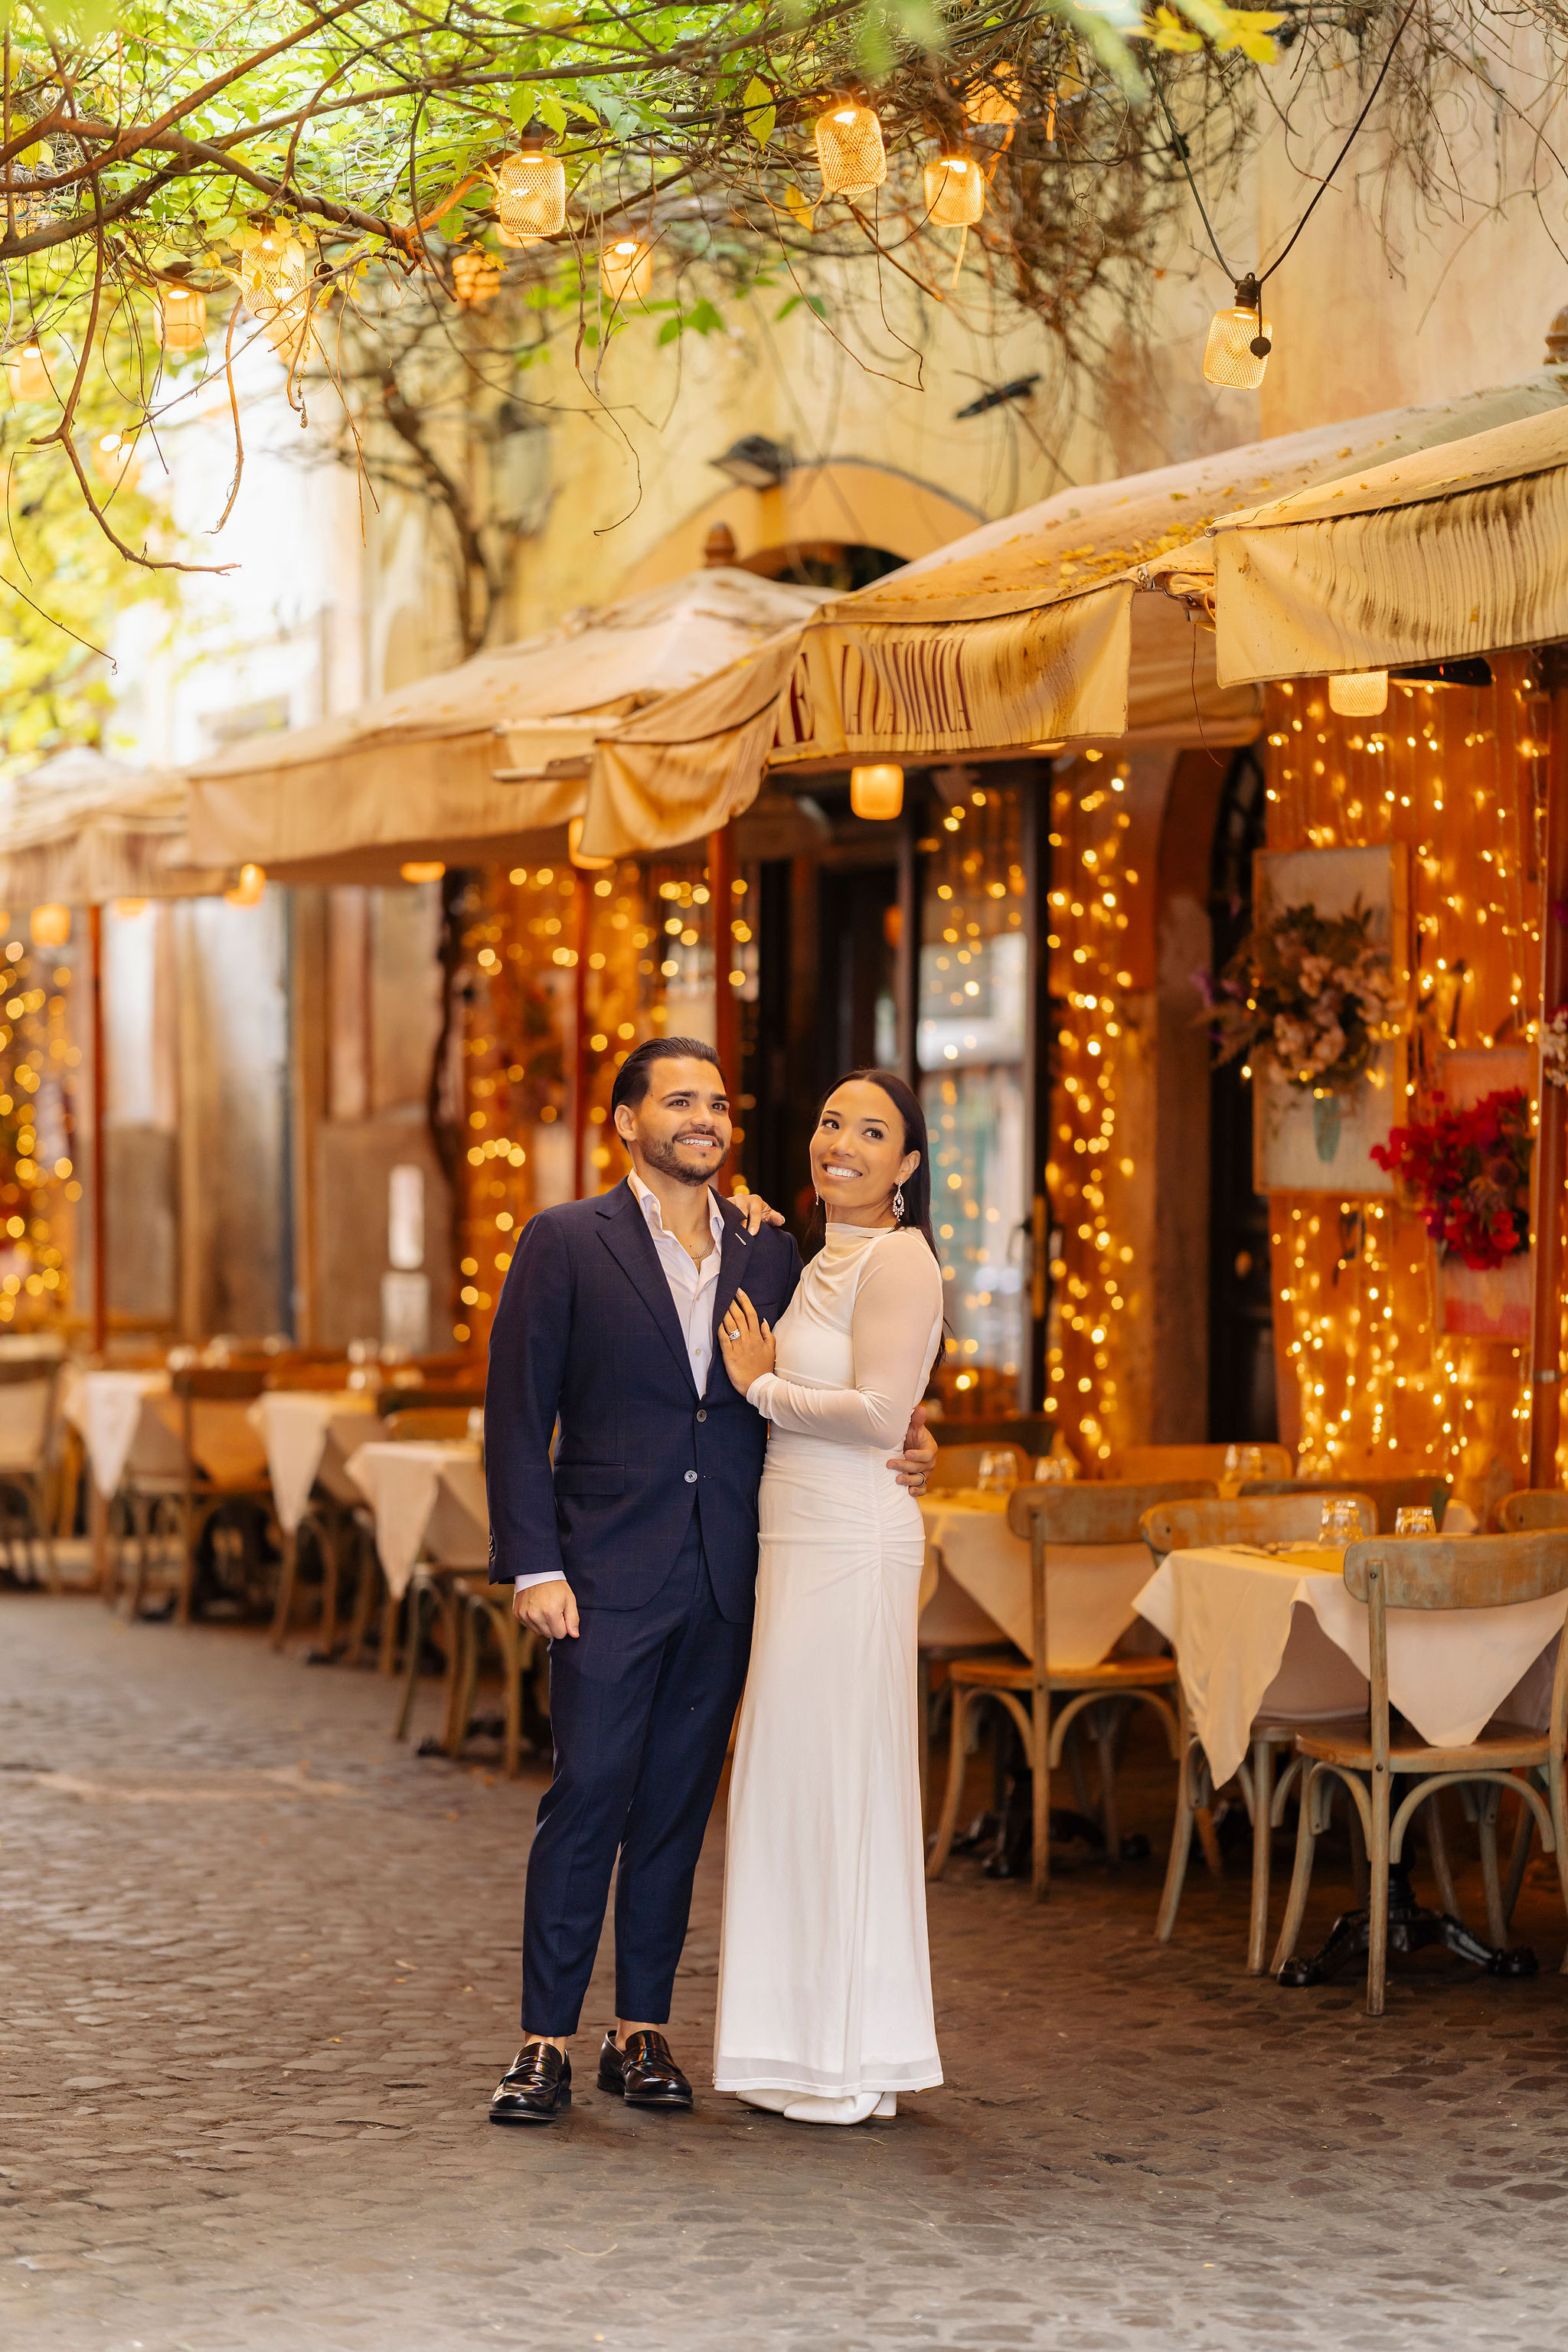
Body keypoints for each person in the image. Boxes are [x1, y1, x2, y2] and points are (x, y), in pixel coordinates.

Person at [483, 1037, 937, 2125]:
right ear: (626, 1122)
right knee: (589, 1792)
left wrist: (918, 1442)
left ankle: (641, 2032)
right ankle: (543, 2040)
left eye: (720, 1104)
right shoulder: (564, 1242)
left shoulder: (771, 1248)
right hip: (601, 1573)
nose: (705, 1119)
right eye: (678, 1101)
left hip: (735, 1572)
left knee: (680, 1806)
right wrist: (534, 1565)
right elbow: (515, 1411)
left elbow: (860, 1377)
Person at [713, 1069, 946, 2126]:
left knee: (842, 1779)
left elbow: (880, 1412)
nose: (840, 1142)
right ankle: (792, 2046)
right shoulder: (815, 1257)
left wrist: (761, 1385)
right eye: (829, 1121)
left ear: (907, 1165)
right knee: (790, 1779)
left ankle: (847, 2057)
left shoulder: (899, 1257)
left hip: (853, 1542)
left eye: (871, 1132)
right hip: (795, 1540)